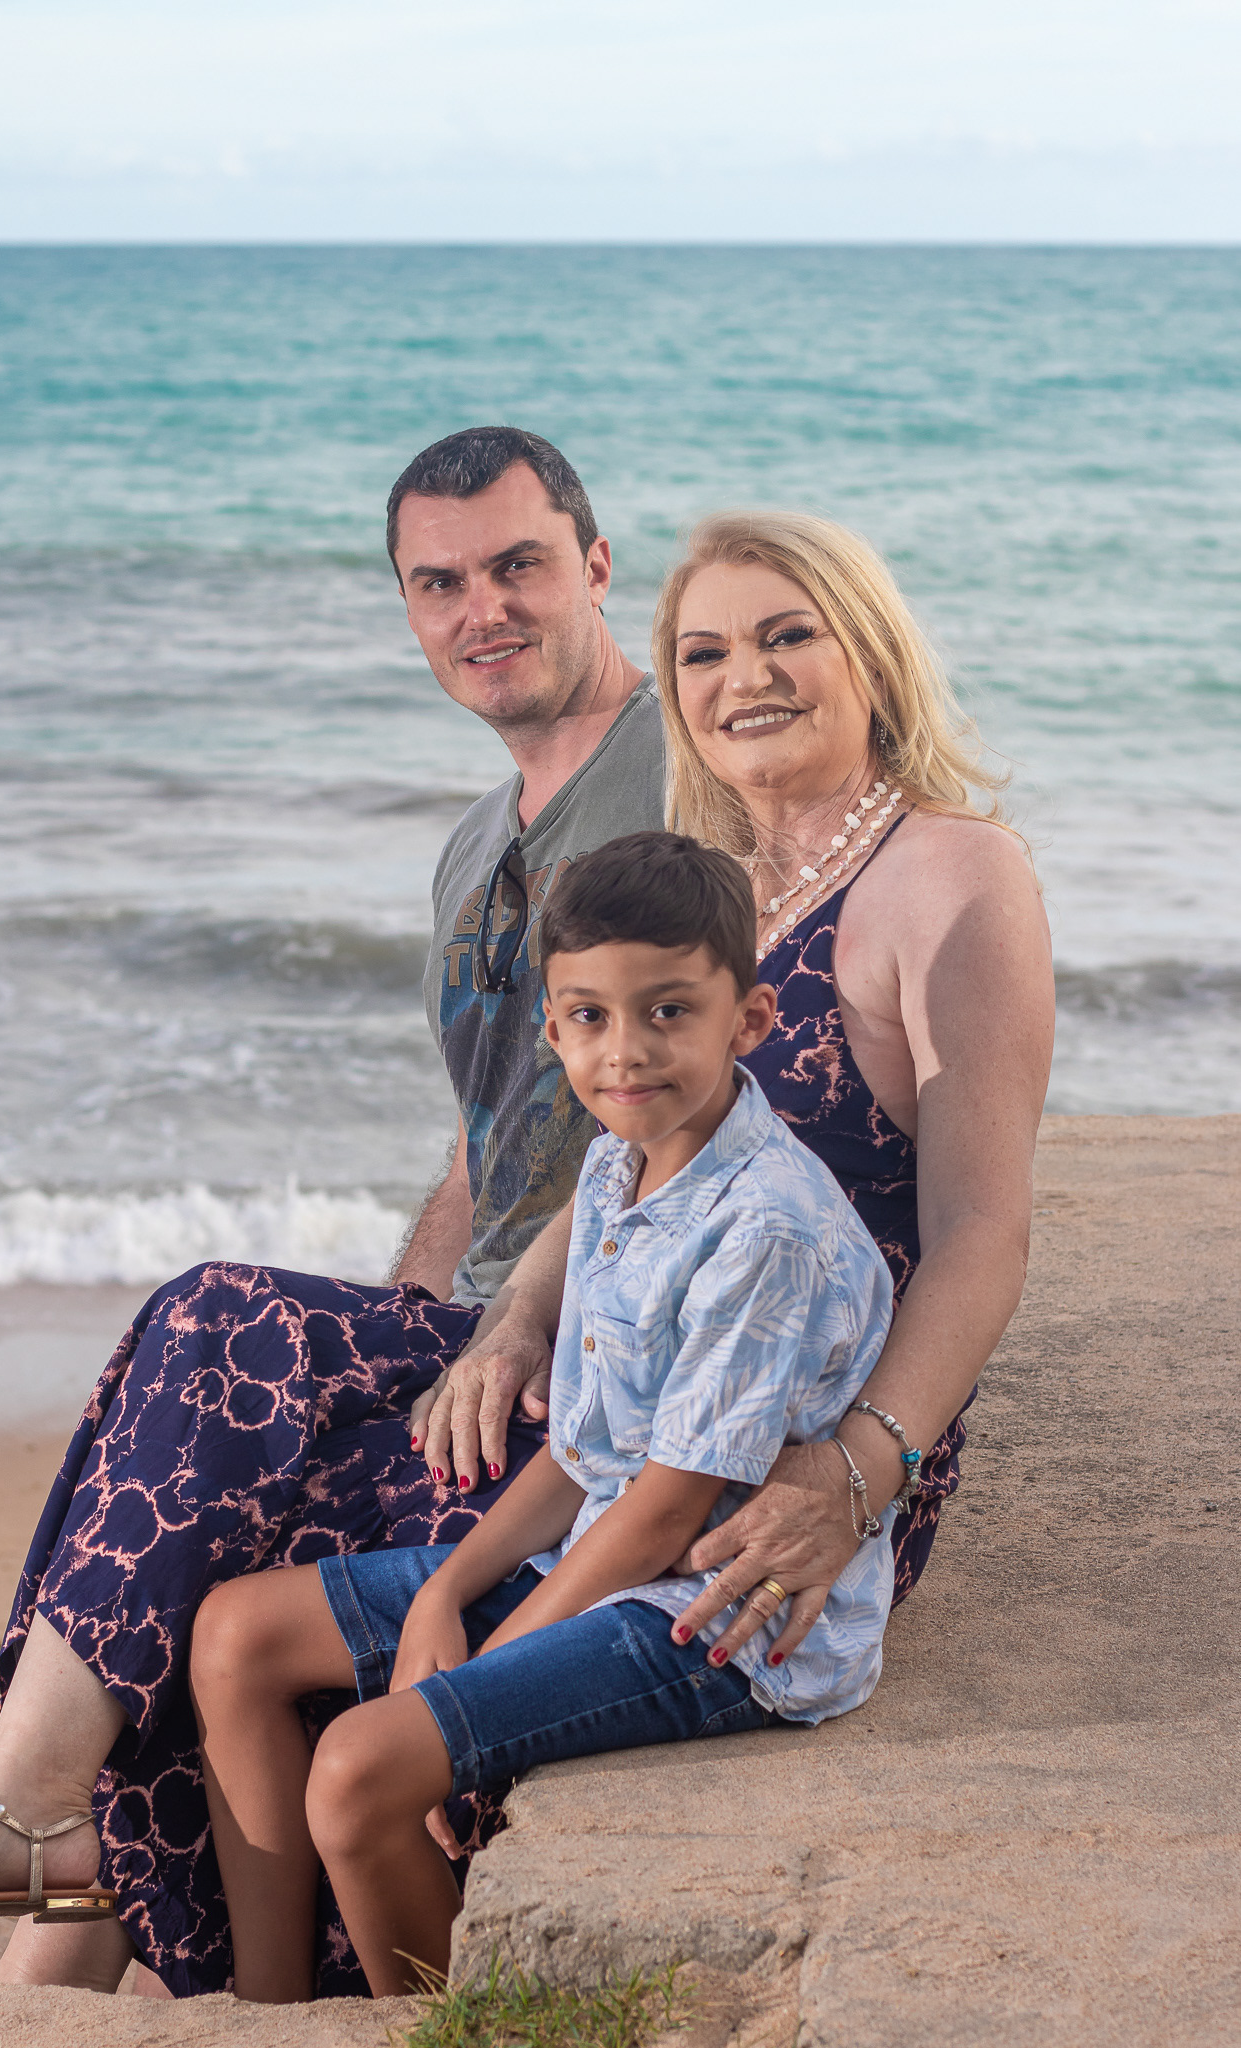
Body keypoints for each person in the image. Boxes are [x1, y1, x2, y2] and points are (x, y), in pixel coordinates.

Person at [0, 427, 666, 1997]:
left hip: (604, 1337)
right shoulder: (473, 847)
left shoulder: (675, 770)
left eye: (518, 565)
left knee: (214, 1315)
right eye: (438, 584)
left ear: (593, 564)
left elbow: (679, 1106)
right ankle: (50, 1975)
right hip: (476, 1339)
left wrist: (517, 1321)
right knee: (209, 1494)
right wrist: (402, 1337)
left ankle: (32, 1815)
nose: (482, 610)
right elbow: (485, 1142)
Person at [186, 832, 897, 2001]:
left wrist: (476, 1677)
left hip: (722, 1616)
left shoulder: (763, 1225)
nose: (628, 1051)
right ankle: (268, 2010)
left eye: (669, 1011)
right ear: (554, 1030)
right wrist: (445, 1592)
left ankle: (428, 2021)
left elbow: (668, 1510)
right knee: (235, 1631)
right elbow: (583, 1447)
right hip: (605, 1546)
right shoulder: (618, 1164)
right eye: (590, 1016)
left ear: (750, 1018)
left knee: (361, 1767)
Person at [418, 509, 1054, 1684]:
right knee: (212, 1334)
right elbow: (630, 1169)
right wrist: (516, 1318)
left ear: (871, 654)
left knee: (276, 1502)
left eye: (787, 636)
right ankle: (79, 1776)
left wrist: (855, 1473)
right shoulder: (706, 888)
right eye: (703, 653)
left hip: (773, 1449)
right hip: (625, 1391)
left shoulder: (955, 874)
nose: (745, 677)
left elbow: (981, 1231)